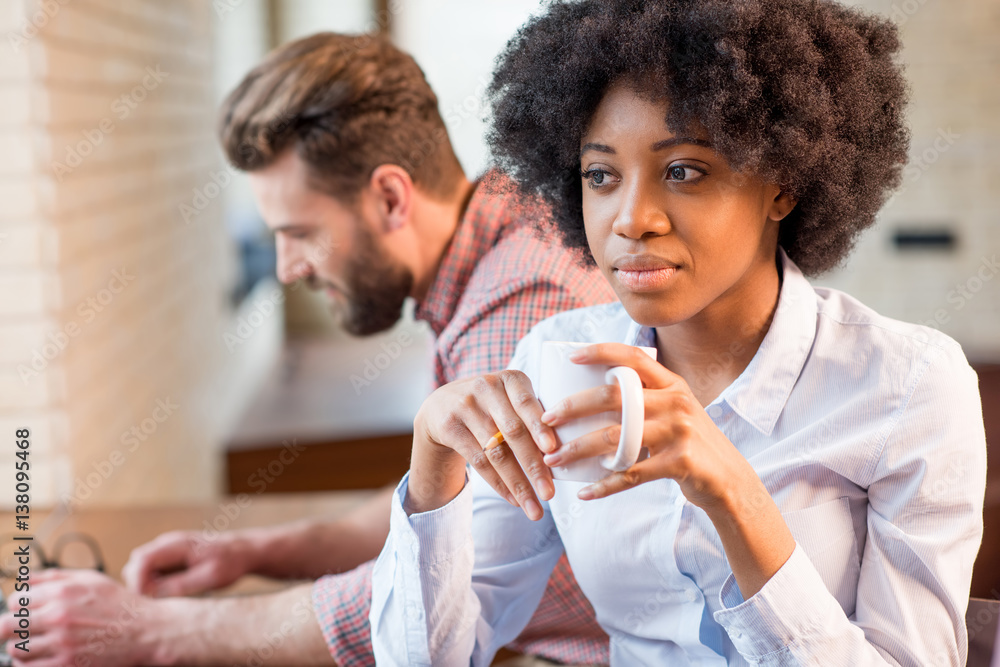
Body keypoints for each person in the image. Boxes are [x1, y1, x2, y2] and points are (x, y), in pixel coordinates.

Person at [370, 1, 988, 665]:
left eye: (684, 171)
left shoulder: (911, 385)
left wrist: (733, 493)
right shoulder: (558, 366)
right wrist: (433, 463)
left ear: (781, 184)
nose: (631, 219)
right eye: (600, 175)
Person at [0, 33, 616, 666]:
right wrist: (261, 552)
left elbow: (438, 594)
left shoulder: (514, 307)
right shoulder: (504, 234)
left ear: (390, 198)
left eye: (300, 233)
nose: (289, 268)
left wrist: (151, 631)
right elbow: (452, 502)